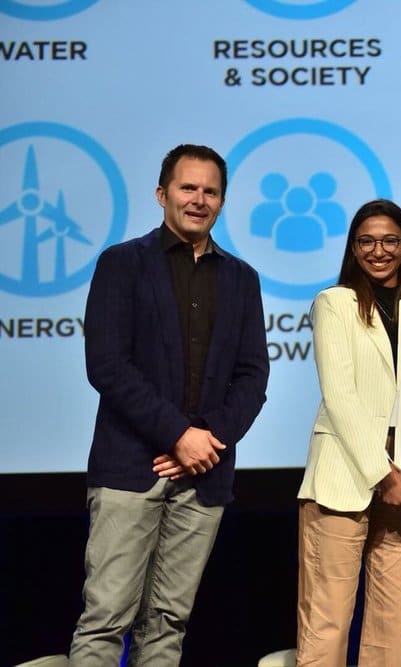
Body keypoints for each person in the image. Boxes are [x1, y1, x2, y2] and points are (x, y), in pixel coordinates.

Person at [70, 144, 270, 666]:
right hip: (128, 471)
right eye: (188, 188)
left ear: (222, 201)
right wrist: (178, 436)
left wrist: (202, 441)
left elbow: (253, 377)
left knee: (168, 625)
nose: (198, 199)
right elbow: (107, 365)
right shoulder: (121, 264)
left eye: (210, 191)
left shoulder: (242, 279)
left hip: (204, 475)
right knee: (105, 620)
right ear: (162, 195)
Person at [295, 199, 401, 666]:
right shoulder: (334, 303)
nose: (378, 250)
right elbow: (341, 397)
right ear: (353, 248)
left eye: (389, 241)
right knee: (327, 621)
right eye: (367, 241)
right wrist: (382, 474)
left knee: (394, 622)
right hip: (349, 471)